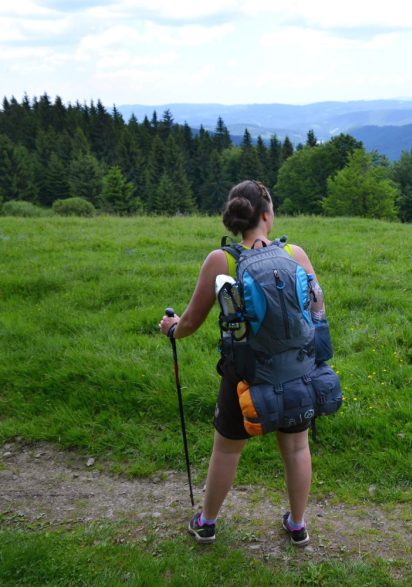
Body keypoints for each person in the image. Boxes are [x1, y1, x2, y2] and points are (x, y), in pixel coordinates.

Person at [159, 179, 319, 546]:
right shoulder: (295, 253)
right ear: (266, 215)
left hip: (244, 375)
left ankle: (207, 522)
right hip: (295, 371)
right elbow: (315, 308)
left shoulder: (222, 260)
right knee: (297, 448)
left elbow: (191, 321)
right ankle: (297, 525)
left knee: (227, 449)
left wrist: (172, 329)